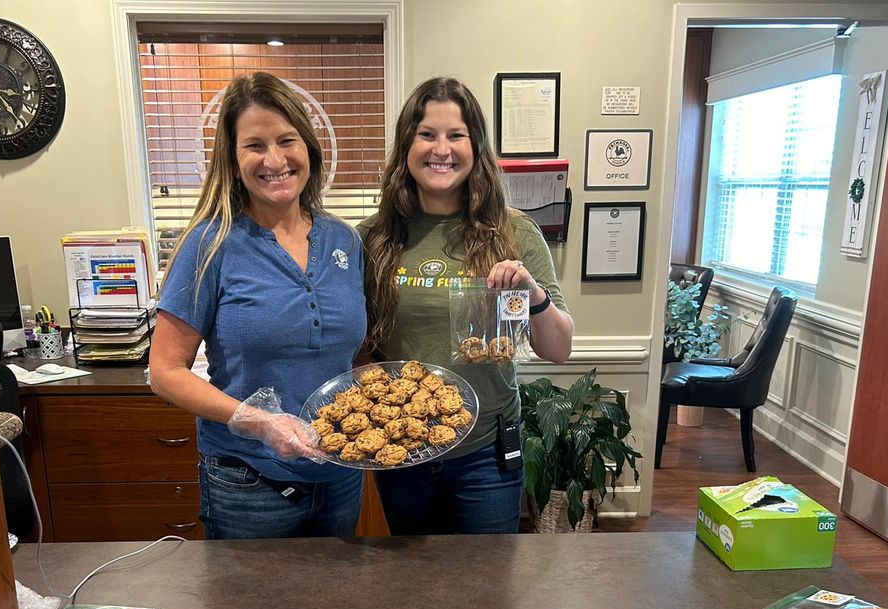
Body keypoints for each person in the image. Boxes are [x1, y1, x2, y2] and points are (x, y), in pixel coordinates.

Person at [150, 73, 366, 539]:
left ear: (308, 147)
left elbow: (354, 356)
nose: (275, 160)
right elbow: (165, 371)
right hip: (248, 483)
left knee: (337, 607)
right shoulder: (209, 245)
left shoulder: (345, 240)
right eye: (255, 145)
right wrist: (260, 422)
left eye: (287, 141)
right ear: (232, 158)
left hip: (342, 474)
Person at [360, 76, 574, 535]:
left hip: (486, 453)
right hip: (404, 446)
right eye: (427, 134)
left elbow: (559, 349)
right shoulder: (373, 237)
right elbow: (356, 342)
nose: (442, 149)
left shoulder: (515, 232)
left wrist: (532, 295)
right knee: (412, 580)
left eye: (456, 135)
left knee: (485, 587)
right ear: (406, 146)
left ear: (476, 146)